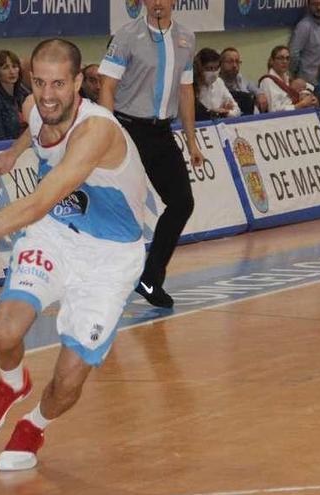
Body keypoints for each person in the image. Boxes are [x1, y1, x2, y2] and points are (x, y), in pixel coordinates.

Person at [0, 39, 147, 471]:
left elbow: (35, 204)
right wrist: (14, 151)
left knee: (68, 381)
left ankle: (36, 423)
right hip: (56, 234)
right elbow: (36, 124)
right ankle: (12, 382)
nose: (47, 94)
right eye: (39, 82)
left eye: (59, 84)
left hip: (110, 256)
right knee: (4, 335)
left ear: (80, 82)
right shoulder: (36, 107)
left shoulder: (97, 130)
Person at [98, 0, 204, 308]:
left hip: (161, 132)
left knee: (182, 202)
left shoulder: (187, 38)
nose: (158, 2)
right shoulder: (127, 36)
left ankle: (151, 277)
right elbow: (107, 86)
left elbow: (185, 91)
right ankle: (104, 281)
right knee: (119, 211)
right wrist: (108, 131)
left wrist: (192, 141)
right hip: (128, 130)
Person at [0, 49, 30, 142]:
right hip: (4, 150)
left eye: (14, 66)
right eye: (5, 67)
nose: (12, 71)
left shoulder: (23, 95)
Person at [259, 46, 318, 112]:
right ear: (272, 61)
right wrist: (300, 105)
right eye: (280, 58)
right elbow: (274, 110)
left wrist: (312, 99)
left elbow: (310, 88)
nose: (284, 61)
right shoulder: (268, 81)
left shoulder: (289, 79)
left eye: (287, 58)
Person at [289, 0, 320, 85]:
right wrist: (294, 75)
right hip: (307, 80)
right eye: (314, 4)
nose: (318, 8)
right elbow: (293, 53)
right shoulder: (304, 26)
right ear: (308, 6)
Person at [193, 48, 241, 120]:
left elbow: (237, 111)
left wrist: (226, 112)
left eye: (216, 68)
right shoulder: (191, 86)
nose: (214, 73)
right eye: (209, 68)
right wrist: (216, 112)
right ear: (200, 68)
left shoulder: (219, 82)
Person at [220, 47, 268, 114]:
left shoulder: (240, 78)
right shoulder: (216, 83)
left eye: (237, 62)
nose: (234, 65)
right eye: (230, 61)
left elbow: (253, 87)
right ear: (220, 64)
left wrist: (260, 94)